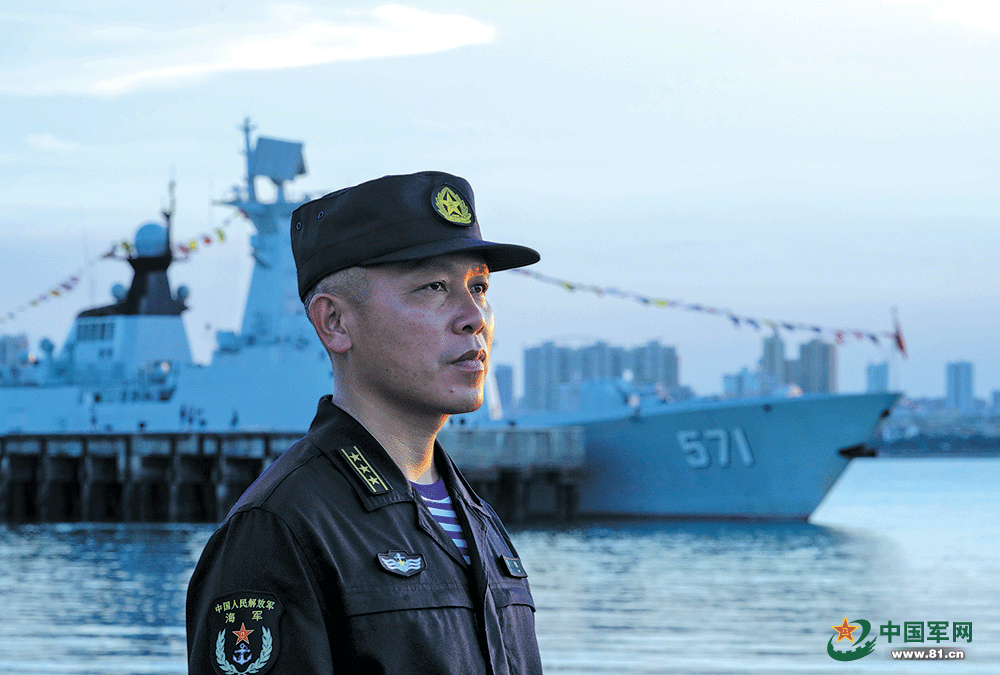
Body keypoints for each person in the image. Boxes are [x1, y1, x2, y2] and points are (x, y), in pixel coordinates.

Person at [186, 171, 543, 674]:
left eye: (479, 286)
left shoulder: (476, 518)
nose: (474, 316)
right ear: (334, 322)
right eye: (434, 287)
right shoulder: (279, 530)